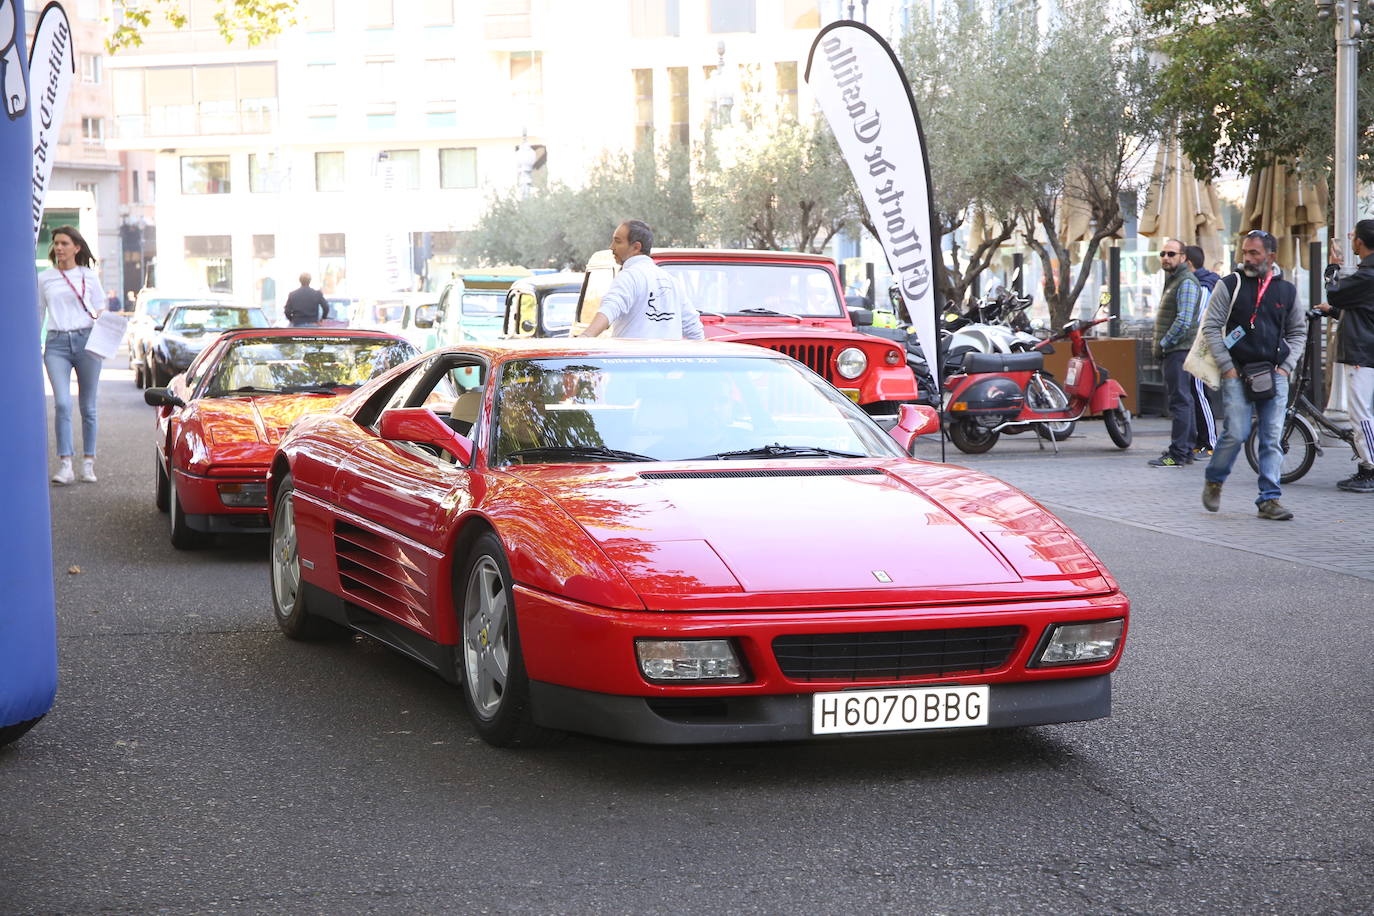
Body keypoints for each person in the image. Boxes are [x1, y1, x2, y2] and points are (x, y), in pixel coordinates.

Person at [1201, 229, 1307, 520]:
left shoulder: (1286, 290)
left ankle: (1269, 499)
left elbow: (1298, 331)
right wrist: (1228, 367)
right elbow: (1212, 327)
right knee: (1236, 432)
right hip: (1237, 372)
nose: (1247, 258)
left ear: (1271, 256)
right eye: (1244, 252)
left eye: (1254, 253)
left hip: (1274, 373)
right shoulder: (1230, 284)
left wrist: (1286, 366)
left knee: (1271, 437)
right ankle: (1215, 478)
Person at [37, 225, 106, 485]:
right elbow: (39, 312)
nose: (59, 247)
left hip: (87, 341)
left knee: (88, 406)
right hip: (56, 344)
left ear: (76, 247)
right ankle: (65, 464)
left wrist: (103, 321)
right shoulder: (45, 278)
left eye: (65, 243)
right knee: (62, 403)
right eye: (56, 243)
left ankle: (88, 463)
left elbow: (100, 308)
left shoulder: (88, 276)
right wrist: (35, 344)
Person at [1315, 219, 1374, 493]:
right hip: (1365, 348)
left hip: (1362, 353)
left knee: (1360, 413)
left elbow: (1336, 292)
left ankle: (1370, 467)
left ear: (1359, 243)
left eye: (1354, 237)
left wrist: (1333, 269)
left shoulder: (1367, 275)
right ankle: (1366, 466)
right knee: (1363, 412)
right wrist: (1333, 311)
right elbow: (1363, 312)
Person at [578, 220, 704, 340]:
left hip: (632, 359)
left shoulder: (628, 277)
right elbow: (693, 328)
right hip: (670, 361)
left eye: (618, 241)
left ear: (636, 247)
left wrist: (586, 337)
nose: (612, 247)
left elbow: (610, 308)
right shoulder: (671, 282)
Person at [1147, 238, 1202, 467]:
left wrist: (1164, 343)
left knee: (1179, 401)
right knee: (1184, 400)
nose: (1166, 258)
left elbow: (1184, 319)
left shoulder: (1185, 282)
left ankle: (1177, 454)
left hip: (1178, 350)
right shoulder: (1174, 280)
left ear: (1183, 257)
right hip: (1176, 350)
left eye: (1171, 254)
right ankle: (1185, 449)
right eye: (1163, 253)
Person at [1185, 245, 1221, 458]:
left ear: (1188, 262)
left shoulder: (1202, 285)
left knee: (1198, 391)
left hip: (1202, 345)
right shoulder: (1201, 282)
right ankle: (1200, 440)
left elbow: (1197, 319)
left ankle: (1210, 442)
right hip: (1198, 345)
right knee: (1193, 391)